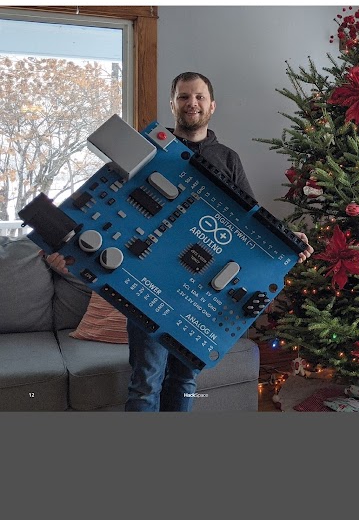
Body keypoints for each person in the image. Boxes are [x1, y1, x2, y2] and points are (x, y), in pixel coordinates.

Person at [43, 71, 314, 412]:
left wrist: (287, 240)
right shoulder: (150, 150)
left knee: (184, 382)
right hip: (147, 289)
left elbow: (253, 224)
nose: (192, 103)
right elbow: (98, 202)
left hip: (200, 294)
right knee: (145, 383)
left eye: (199, 97)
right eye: (184, 97)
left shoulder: (227, 158)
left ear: (212, 105)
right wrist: (66, 246)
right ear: (172, 104)